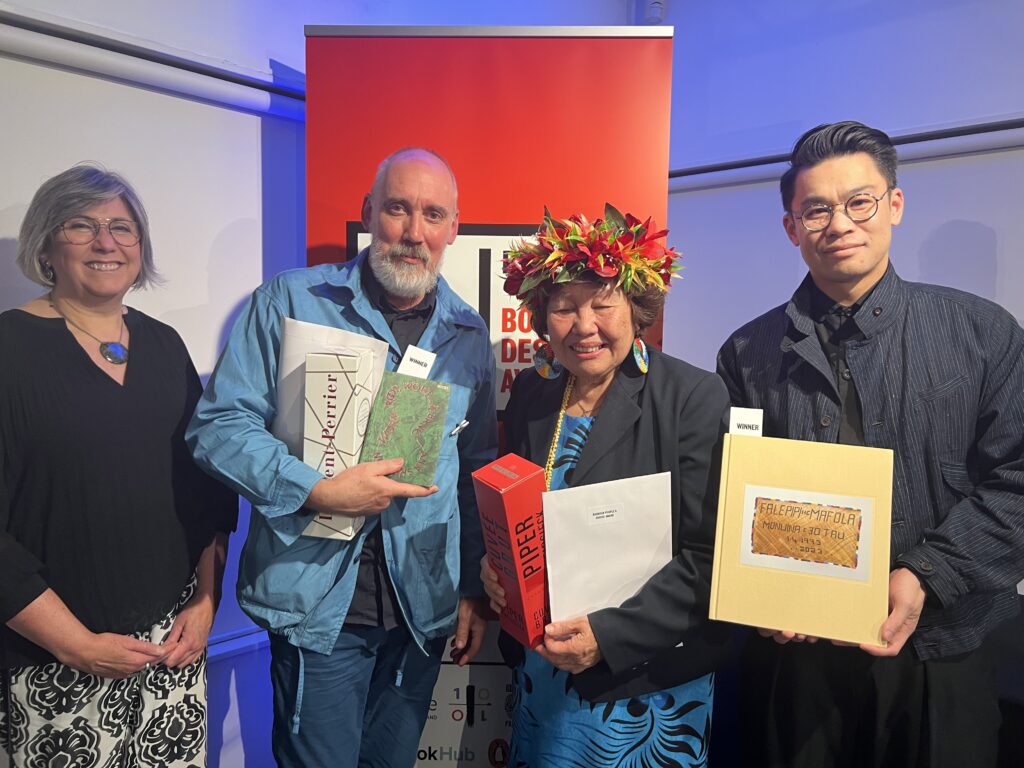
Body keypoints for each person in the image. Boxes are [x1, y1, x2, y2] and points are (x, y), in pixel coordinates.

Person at [717, 121, 1024, 767]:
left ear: (894, 204)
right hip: (797, 655)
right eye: (816, 210)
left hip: (944, 644)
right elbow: (733, 487)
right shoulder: (748, 351)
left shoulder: (980, 332)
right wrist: (758, 588)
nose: (840, 224)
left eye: (859, 202)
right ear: (792, 227)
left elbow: (1018, 478)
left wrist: (927, 573)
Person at [186, 147, 497, 767]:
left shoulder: (467, 333)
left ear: (453, 229)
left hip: (420, 611)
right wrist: (314, 489)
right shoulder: (291, 300)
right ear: (368, 212)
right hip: (319, 608)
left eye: (433, 215)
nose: (414, 233)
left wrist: (471, 587)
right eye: (398, 209)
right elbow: (219, 426)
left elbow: (473, 468)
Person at [0, 164, 237, 767]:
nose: (106, 242)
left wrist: (206, 601)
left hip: (172, 651)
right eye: (82, 225)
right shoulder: (9, 351)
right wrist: (75, 645)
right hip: (54, 661)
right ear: (47, 245)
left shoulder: (165, 345)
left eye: (122, 228)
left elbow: (209, 489)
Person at [482, 205, 732, 767]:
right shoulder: (533, 393)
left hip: (644, 682)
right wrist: (497, 569)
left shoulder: (693, 397)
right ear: (542, 317)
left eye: (602, 303)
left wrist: (609, 637)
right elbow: (512, 510)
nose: (584, 325)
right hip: (543, 671)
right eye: (564, 307)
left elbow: (711, 557)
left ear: (637, 308)